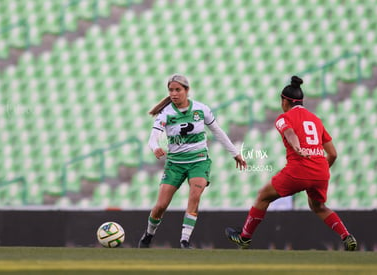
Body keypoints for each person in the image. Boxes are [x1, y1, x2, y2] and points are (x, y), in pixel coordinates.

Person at [225, 76, 357, 251]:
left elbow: (290, 134)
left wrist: (298, 148)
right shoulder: (316, 120)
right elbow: (333, 154)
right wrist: (320, 169)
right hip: (321, 171)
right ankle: (347, 236)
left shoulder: (283, 118)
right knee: (318, 206)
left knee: (263, 196)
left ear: (284, 101)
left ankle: (244, 238)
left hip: (299, 169)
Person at [138, 74, 247, 249]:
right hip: (174, 164)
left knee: (194, 197)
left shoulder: (201, 109)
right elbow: (153, 138)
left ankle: (184, 241)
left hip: (199, 161)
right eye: (171, 90)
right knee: (160, 206)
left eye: (178, 90)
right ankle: (148, 235)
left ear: (187, 91)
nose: (174, 93)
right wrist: (155, 147)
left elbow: (217, 131)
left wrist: (235, 153)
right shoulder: (166, 114)